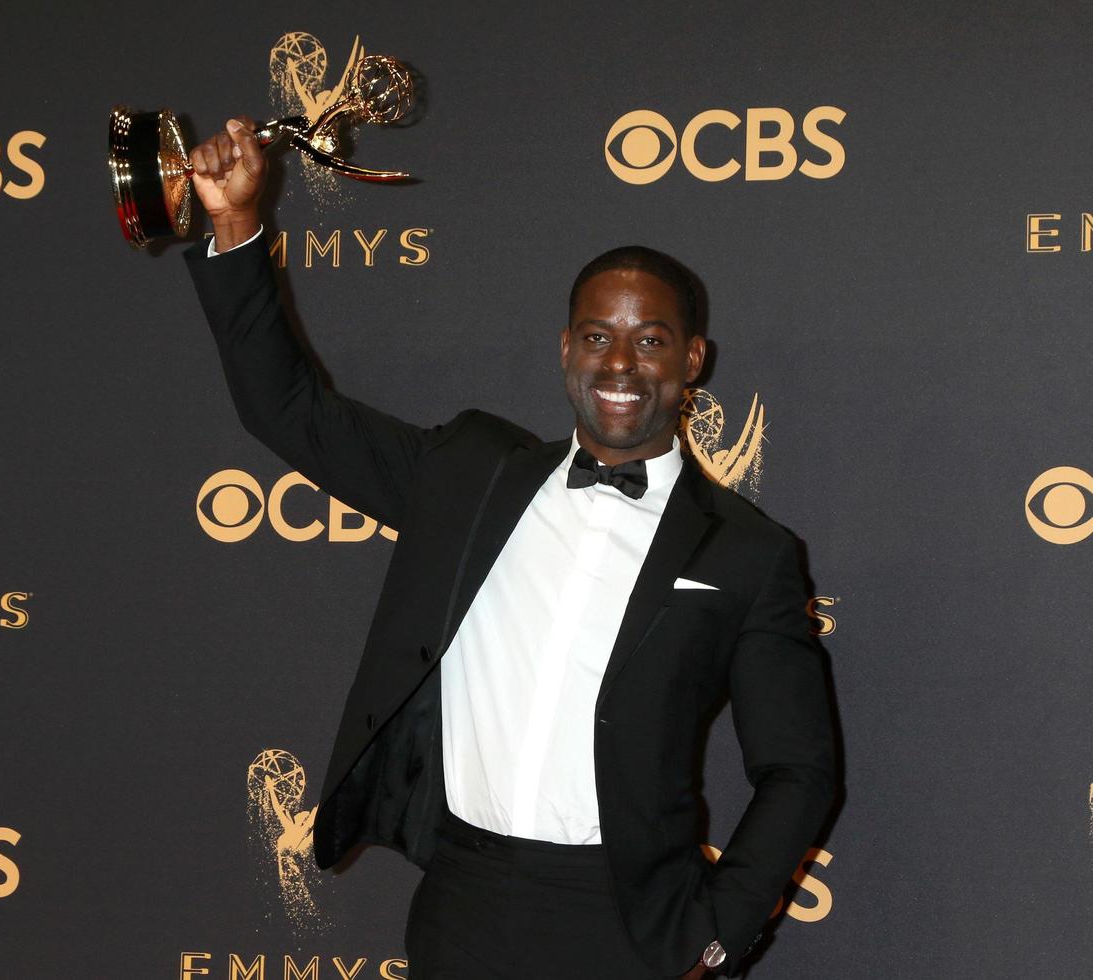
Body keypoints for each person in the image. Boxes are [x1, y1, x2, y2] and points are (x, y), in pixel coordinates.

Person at [185, 116, 837, 979]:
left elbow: (800, 769)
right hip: (465, 899)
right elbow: (289, 410)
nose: (621, 364)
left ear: (692, 360)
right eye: (599, 336)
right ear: (567, 348)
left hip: (628, 918)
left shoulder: (748, 555)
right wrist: (235, 226)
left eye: (651, 341)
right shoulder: (470, 474)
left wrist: (721, 930)